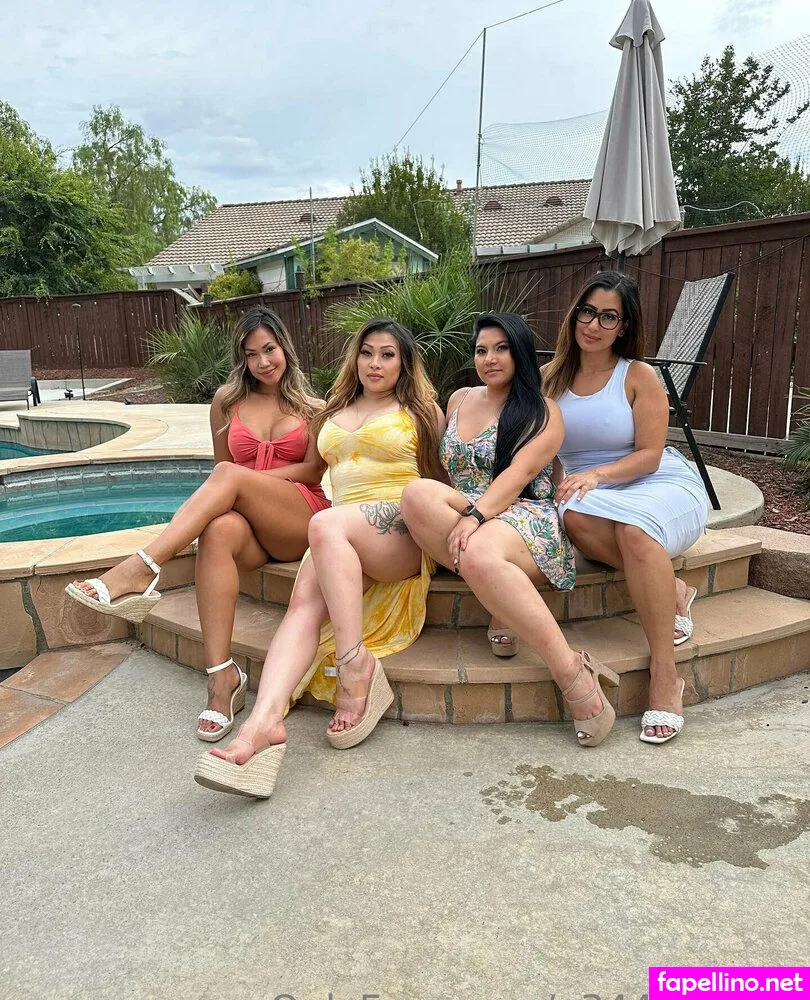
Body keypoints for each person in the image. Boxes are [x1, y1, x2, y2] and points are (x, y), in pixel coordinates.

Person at [193, 317, 445, 799]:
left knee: (325, 523)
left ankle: (354, 667)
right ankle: (261, 727)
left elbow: (441, 482)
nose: (375, 363)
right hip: (340, 535)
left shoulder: (422, 411)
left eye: (387, 354)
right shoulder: (334, 408)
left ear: (405, 362)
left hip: (398, 528)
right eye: (366, 353)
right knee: (303, 606)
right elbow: (311, 471)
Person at [66, 307, 329, 742]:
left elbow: (312, 471)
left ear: (285, 347)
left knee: (228, 477)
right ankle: (221, 677)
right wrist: (238, 485)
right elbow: (220, 468)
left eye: (269, 349)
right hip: (248, 524)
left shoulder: (314, 408)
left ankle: (142, 567)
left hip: (297, 517)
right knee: (218, 529)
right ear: (242, 359)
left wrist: (247, 480)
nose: (263, 362)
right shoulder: (226, 401)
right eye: (251, 354)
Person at [400, 313, 620, 750]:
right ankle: (499, 593)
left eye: (501, 348)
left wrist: (475, 517)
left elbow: (519, 475)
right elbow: (443, 473)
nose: (490, 358)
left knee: (478, 550)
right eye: (481, 350)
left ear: (519, 352)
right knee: (416, 494)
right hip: (469, 512)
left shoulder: (544, 411)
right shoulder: (459, 399)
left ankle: (573, 673)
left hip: (525, 516)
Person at [545, 270, 709, 745]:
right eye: (587, 312)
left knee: (635, 532)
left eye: (608, 317)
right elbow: (543, 448)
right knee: (574, 517)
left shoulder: (638, 376)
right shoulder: (549, 378)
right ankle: (671, 587)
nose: (593, 325)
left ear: (623, 327)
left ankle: (665, 674)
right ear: (575, 314)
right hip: (588, 491)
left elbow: (650, 455)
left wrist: (598, 474)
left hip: (655, 481)